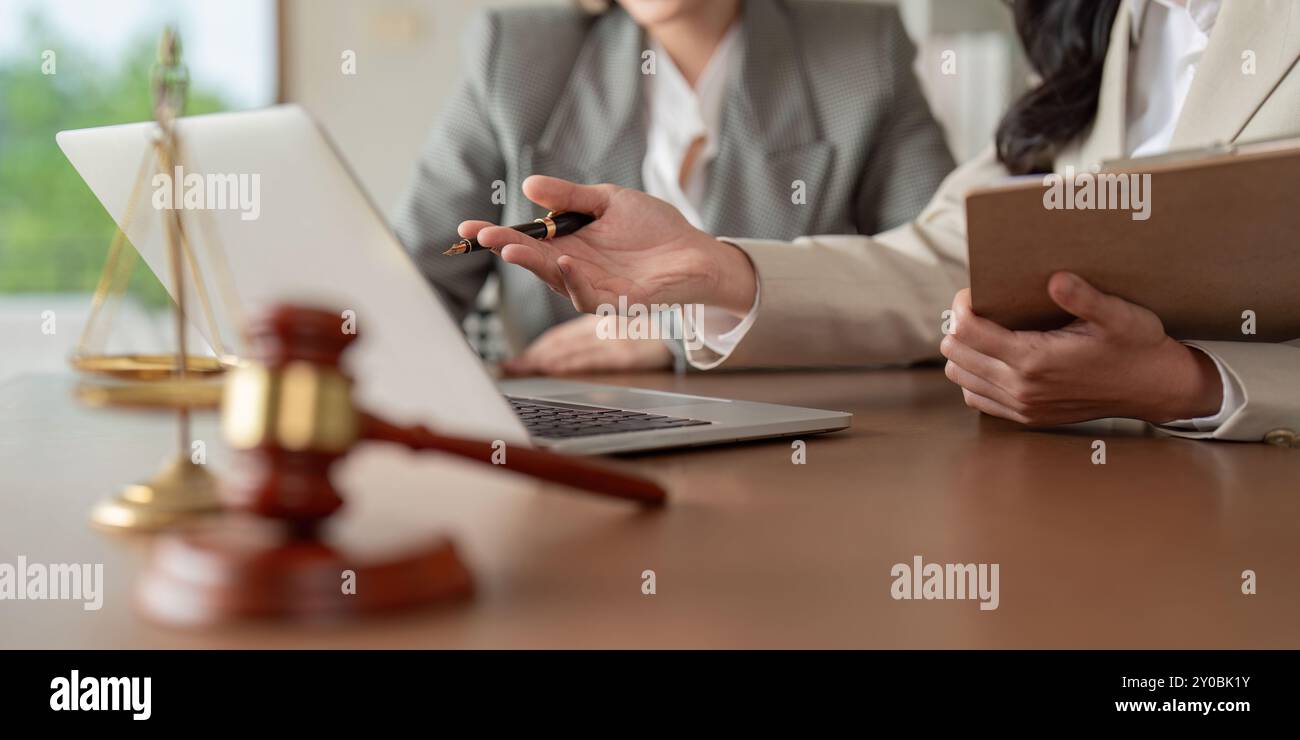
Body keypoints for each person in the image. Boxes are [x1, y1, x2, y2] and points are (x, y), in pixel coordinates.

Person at [458, 0, 1300, 443]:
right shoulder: (1113, 24)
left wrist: (1189, 385)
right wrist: (717, 275)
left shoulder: (857, 47)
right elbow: (955, 253)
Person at [393, 0, 953, 376]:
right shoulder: (515, 55)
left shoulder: (862, 49)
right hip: (579, 445)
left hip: (795, 451)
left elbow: (940, 289)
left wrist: (675, 332)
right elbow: (413, 284)